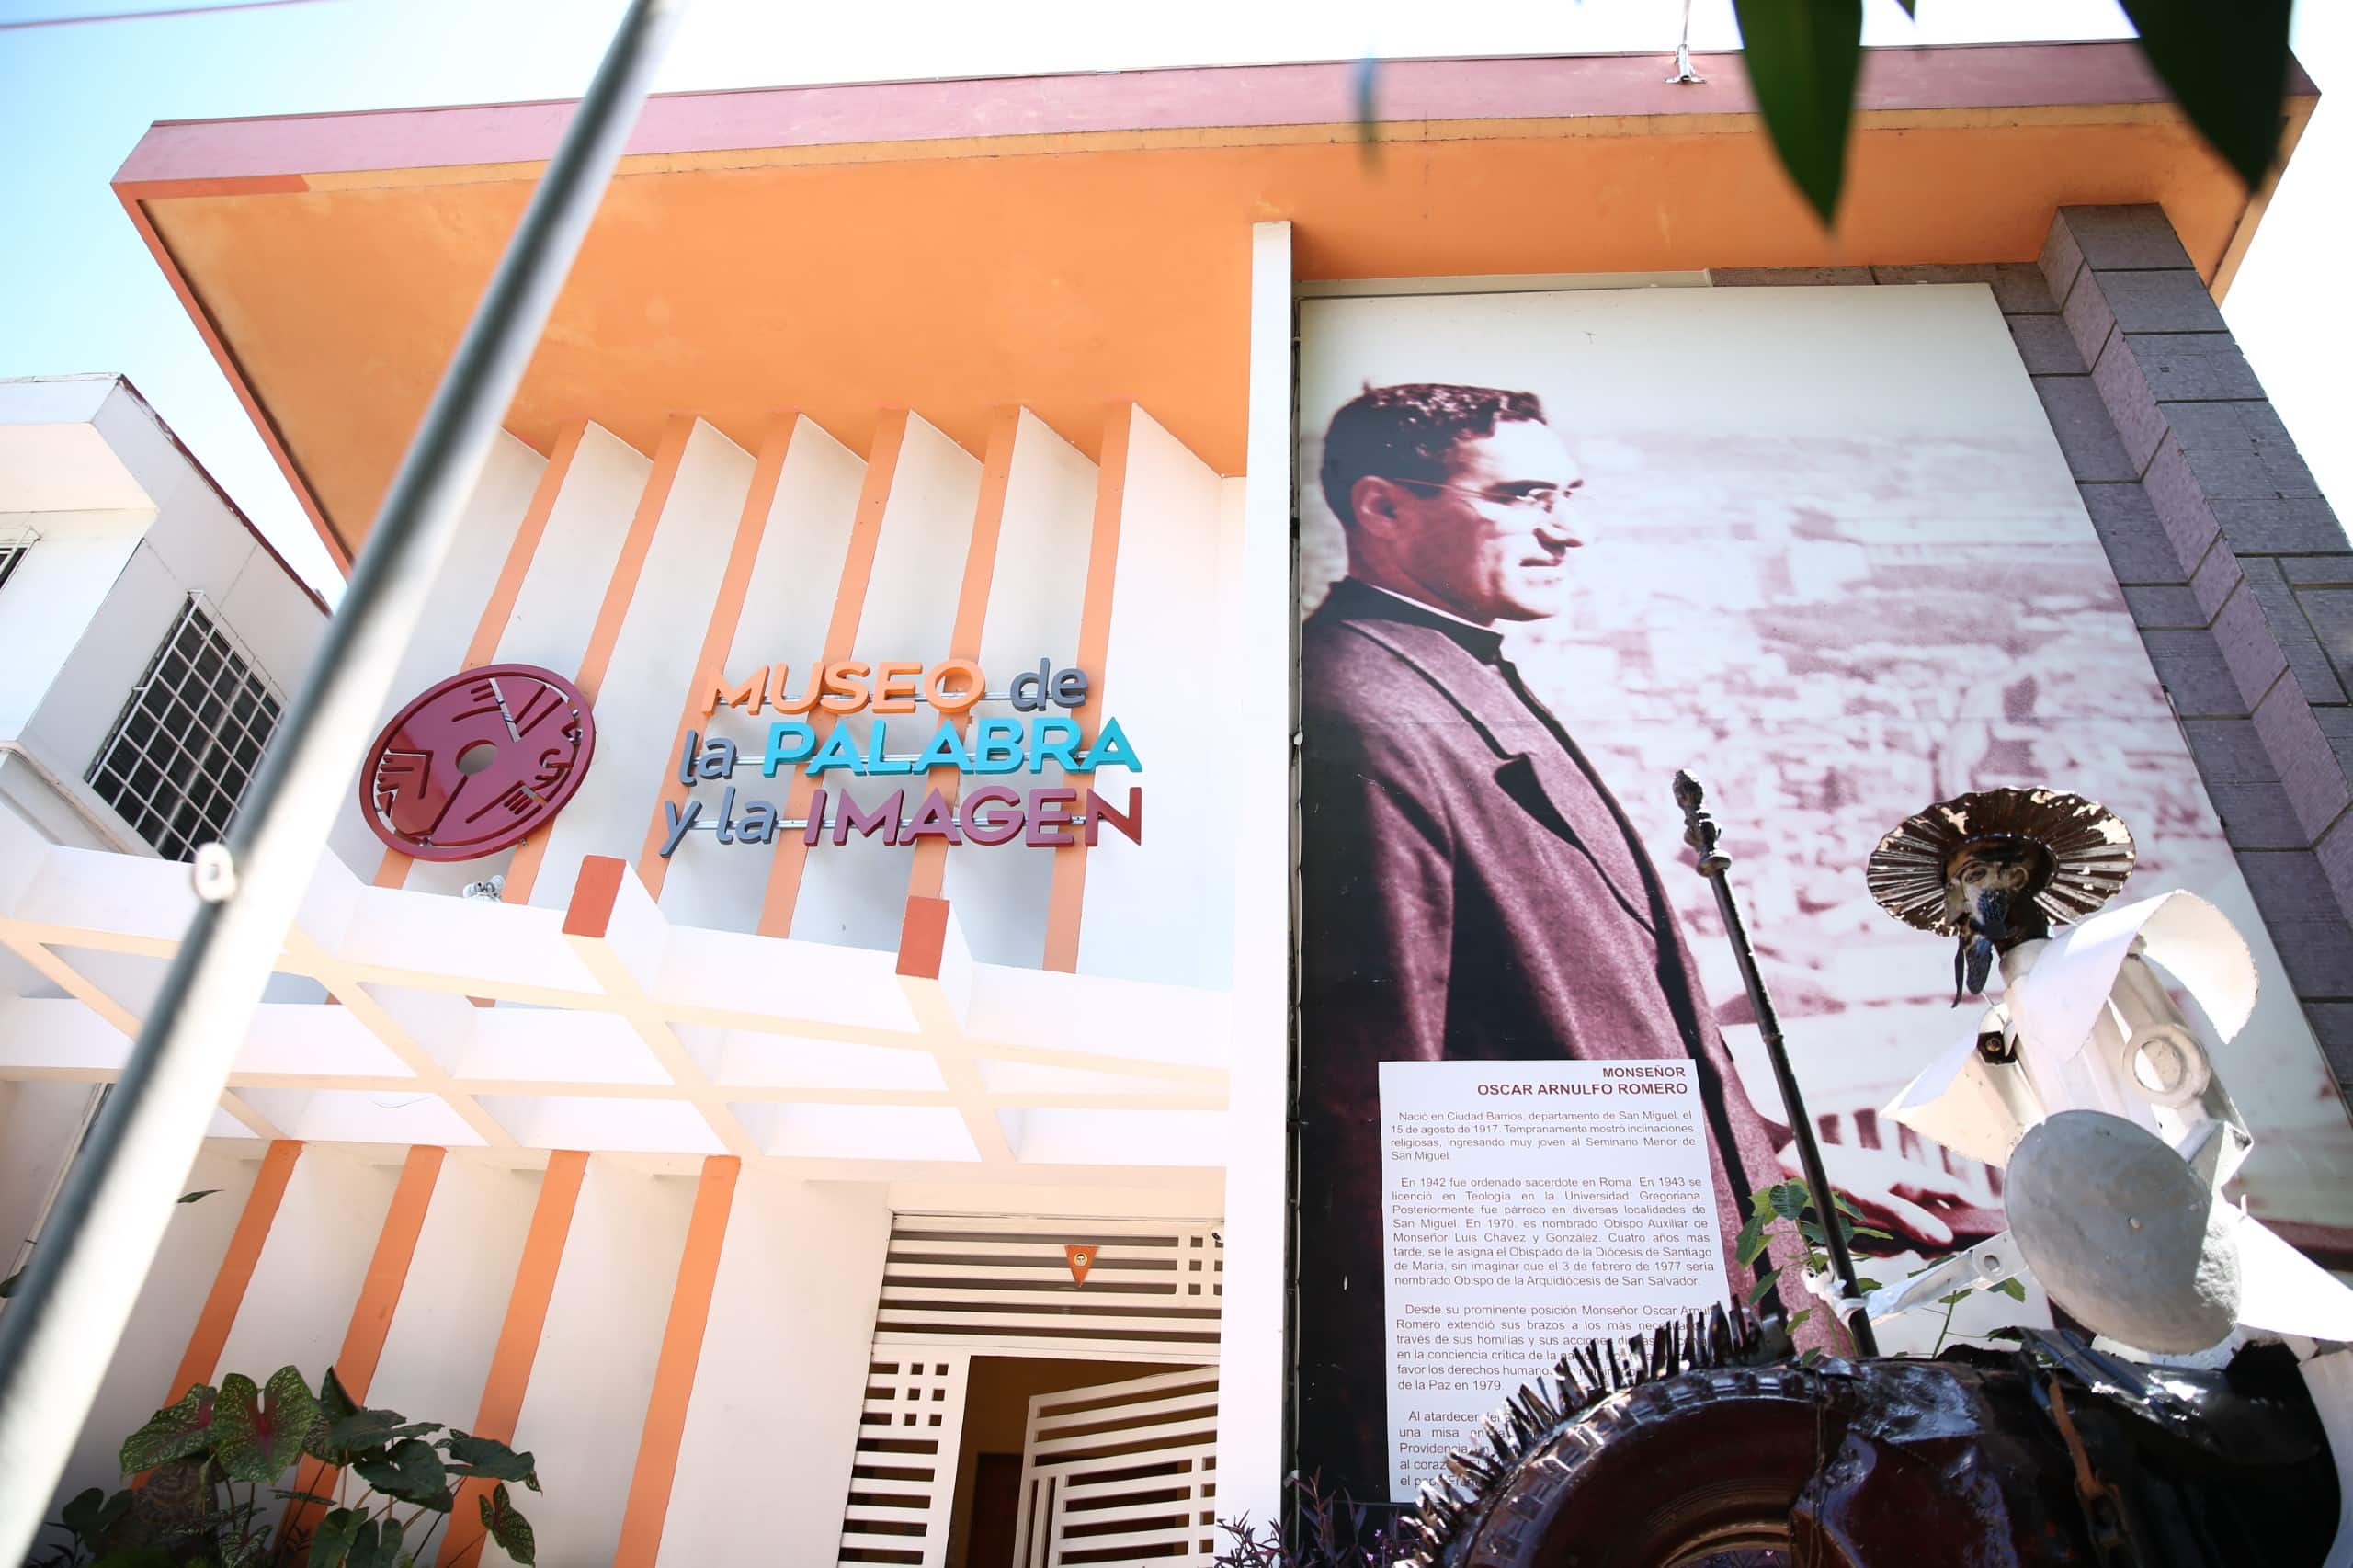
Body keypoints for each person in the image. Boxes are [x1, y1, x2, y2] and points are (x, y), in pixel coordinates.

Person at [1295, 381, 1979, 1497]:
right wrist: (1442, 1467)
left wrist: (1785, 1173)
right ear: (1380, 506)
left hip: (1681, 1327)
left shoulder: (1450, 677)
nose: (1567, 529)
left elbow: (1607, 1032)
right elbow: (1374, 1116)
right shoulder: (1364, 715)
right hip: (1603, 1378)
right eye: (1519, 497)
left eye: (1567, 494)